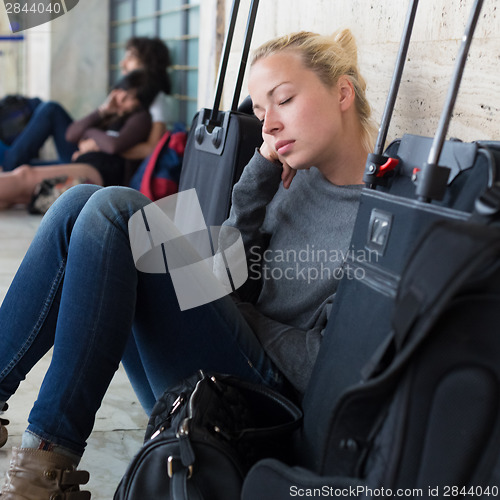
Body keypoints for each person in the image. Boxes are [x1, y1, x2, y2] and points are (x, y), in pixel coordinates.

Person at [0, 29, 377, 498]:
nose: (270, 126)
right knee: (80, 201)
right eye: (261, 113)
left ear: (343, 92)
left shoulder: (379, 219)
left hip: (255, 408)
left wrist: (231, 308)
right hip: (218, 369)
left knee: (115, 211)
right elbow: (235, 270)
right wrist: (258, 172)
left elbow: (320, 365)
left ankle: (43, 471)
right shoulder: (299, 176)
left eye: (284, 100)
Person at [0, 36, 171, 172]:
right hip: (88, 150)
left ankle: (9, 162)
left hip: (102, 161)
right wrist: (101, 118)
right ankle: (10, 163)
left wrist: (99, 145)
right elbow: (72, 134)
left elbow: (152, 149)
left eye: (130, 57)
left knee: (50, 112)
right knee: (49, 114)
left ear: (147, 63)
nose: (123, 63)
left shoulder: (155, 98)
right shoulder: (122, 91)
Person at [0, 70, 158, 210]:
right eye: (122, 91)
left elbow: (113, 146)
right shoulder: (112, 113)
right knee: (19, 182)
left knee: (24, 176)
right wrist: (102, 111)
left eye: (130, 97)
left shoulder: (140, 118)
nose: (121, 98)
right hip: (84, 163)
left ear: (141, 102)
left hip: (100, 170)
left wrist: (91, 136)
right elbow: (71, 135)